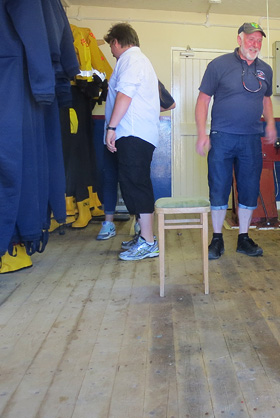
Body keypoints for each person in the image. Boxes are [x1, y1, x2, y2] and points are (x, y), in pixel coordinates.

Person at [195, 22, 277, 260]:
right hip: (222, 137)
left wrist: (270, 123)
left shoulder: (266, 70)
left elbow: (266, 99)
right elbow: (203, 101)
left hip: (251, 138)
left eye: (259, 40)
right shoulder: (218, 65)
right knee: (219, 187)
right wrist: (203, 133)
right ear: (240, 39)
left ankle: (243, 238)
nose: (256, 44)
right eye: (251, 39)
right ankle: (217, 239)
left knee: (249, 189)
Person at [103, 23, 161, 261]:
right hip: (135, 133)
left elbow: (125, 95)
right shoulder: (135, 61)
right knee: (133, 184)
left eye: (111, 47)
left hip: (134, 133)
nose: (112, 52)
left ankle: (148, 242)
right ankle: (144, 238)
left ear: (117, 42)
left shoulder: (130, 60)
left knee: (136, 185)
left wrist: (112, 126)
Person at [97, 80, 175, 242]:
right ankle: (109, 223)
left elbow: (171, 104)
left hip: (132, 136)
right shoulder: (116, 81)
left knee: (136, 181)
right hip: (112, 135)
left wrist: (149, 111)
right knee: (110, 177)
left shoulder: (147, 81)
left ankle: (141, 227)